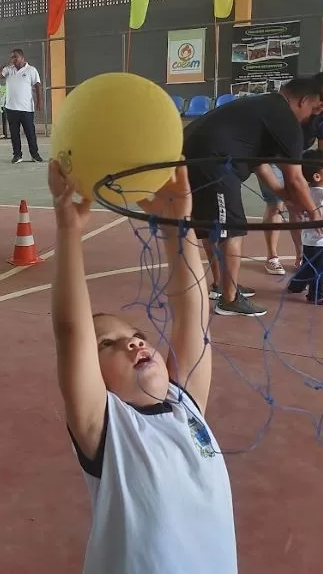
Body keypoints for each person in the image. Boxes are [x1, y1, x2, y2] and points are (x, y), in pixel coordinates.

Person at [48, 159, 236, 573]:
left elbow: (193, 313)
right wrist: (68, 231)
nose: (132, 341)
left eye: (136, 335)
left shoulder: (184, 403)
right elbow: (69, 331)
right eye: (107, 344)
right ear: (92, 378)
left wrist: (178, 224)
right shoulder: (108, 428)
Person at [183, 76, 323, 317]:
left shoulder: (263, 108)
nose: (310, 117)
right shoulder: (284, 117)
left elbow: (260, 165)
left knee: (211, 227)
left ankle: (222, 286)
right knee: (232, 229)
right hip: (213, 163)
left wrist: (284, 197)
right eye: (313, 110)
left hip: (192, 154)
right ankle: (229, 299)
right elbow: (296, 179)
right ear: (302, 101)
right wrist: (314, 212)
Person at [260, 72, 323, 274]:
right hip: (272, 155)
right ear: (309, 95)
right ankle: (272, 256)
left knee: (302, 203)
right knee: (277, 203)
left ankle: (302, 255)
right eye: (322, 98)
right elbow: (274, 152)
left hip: (302, 158)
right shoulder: (290, 112)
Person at [287, 149, 323, 306]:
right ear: (317, 176)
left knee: (308, 264)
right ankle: (316, 295)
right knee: (322, 269)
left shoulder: (304, 193)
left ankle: (296, 285)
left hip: (308, 239)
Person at [0, 48, 43, 164]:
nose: (13, 59)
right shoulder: (8, 70)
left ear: (22, 57)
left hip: (26, 108)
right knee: (14, 134)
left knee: (30, 133)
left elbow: (38, 86)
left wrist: (39, 101)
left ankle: (35, 155)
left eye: (15, 56)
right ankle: (17, 155)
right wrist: (2, 66)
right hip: (11, 108)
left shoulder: (31, 70)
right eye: (12, 57)